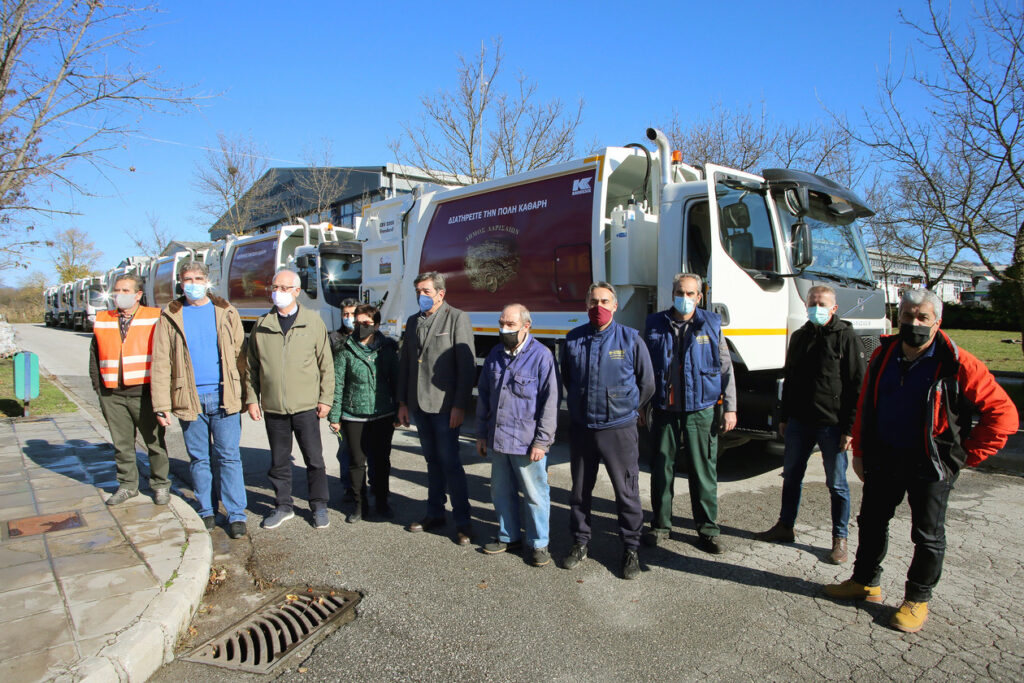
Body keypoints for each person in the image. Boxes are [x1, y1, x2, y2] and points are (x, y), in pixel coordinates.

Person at [825, 289, 1018, 633]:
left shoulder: (958, 362)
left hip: (930, 464)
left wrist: (964, 456)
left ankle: (917, 598)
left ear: (937, 321)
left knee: (926, 535)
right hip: (884, 457)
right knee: (871, 521)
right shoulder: (884, 354)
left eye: (922, 317)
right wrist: (860, 450)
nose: (913, 323)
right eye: (908, 316)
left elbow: (1004, 416)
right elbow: (867, 401)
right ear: (898, 317)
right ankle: (865, 582)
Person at [758, 284, 865, 563]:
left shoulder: (847, 338)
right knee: (791, 477)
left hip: (832, 426)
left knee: (837, 484)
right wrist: (784, 417)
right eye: (812, 302)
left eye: (822, 303)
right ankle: (785, 526)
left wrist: (850, 429)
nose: (817, 307)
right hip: (799, 423)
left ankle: (839, 539)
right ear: (806, 305)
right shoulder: (800, 337)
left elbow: (857, 386)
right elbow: (790, 379)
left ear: (834, 308)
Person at [560, 282, 654, 579]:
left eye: (603, 301)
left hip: (618, 430)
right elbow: (568, 379)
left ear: (615, 306)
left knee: (626, 492)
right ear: (585, 305)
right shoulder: (573, 340)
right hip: (583, 429)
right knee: (579, 492)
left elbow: (647, 382)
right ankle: (580, 542)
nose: (597, 307)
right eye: (592, 301)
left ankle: (630, 548)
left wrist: (626, 409)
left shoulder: (630, 339)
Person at [151, 260, 249, 539]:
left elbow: (240, 355)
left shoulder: (226, 311)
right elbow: (161, 362)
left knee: (229, 457)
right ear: (180, 283)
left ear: (207, 280)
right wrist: (161, 404)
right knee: (199, 458)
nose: (192, 284)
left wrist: (244, 395)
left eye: (197, 278)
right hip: (189, 398)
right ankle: (207, 509)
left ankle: (236, 514)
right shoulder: (170, 315)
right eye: (187, 279)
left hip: (223, 395)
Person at [642, 273, 736, 554]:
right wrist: (639, 405)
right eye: (680, 292)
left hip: (701, 410)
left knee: (703, 472)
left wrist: (730, 407)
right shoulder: (654, 324)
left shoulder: (711, 323)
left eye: (690, 293)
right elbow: (643, 367)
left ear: (699, 296)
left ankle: (707, 530)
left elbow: (725, 368)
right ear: (673, 293)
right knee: (661, 469)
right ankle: (660, 526)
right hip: (664, 409)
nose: (685, 298)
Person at [245, 268, 335, 530]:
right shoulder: (262, 325)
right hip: (274, 407)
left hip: (306, 406)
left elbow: (326, 365)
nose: (278, 293)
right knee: (278, 461)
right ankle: (283, 505)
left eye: (284, 288)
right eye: (275, 287)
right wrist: (252, 398)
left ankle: (318, 505)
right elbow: (251, 367)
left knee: (314, 459)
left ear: (297, 291)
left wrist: (326, 398)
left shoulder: (313, 322)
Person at [396, 272, 476, 545]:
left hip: (445, 406)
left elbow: (466, 367)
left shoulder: (457, 318)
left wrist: (459, 406)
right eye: (418, 290)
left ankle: (463, 521)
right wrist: (403, 403)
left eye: (426, 290)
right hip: (419, 404)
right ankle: (435, 513)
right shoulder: (412, 321)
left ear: (441, 293)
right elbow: (407, 363)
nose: (422, 295)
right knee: (432, 462)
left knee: (451, 463)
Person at [476, 304, 559, 568]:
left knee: (535, 495)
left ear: (526, 326)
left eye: (510, 324)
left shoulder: (542, 356)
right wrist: (481, 434)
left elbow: (551, 402)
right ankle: (508, 536)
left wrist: (542, 441)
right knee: (501, 492)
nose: (504, 329)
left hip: (527, 442)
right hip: (499, 439)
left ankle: (539, 544)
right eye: (502, 323)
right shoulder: (495, 355)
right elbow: (484, 398)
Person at [90, 273, 170, 506]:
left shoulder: (154, 317)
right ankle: (127, 485)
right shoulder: (103, 318)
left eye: (125, 291)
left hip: (144, 393)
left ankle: (161, 484)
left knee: (154, 442)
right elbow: (94, 356)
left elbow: (164, 355)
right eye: (117, 290)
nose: (119, 295)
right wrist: (99, 387)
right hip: (112, 394)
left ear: (138, 295)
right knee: (122, 444)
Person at [328, 303, 399, 522]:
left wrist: (398, 410)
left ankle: (381, 501)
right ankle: (360, 505)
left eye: (365, 323)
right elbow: (338, 383)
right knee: (357, 462)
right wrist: (335, 416)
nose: (360, 327)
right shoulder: (345, 349)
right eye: (357, 323)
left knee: (381, 461)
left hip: (382, 414)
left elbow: (395, 381)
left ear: (376, 325)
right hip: (353, 415)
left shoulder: (387, 349)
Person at [329, 298, 359, 502]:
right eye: (345, 314)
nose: (349, 318)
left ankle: (366, 486)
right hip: (342, 404)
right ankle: (349, 487)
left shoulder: (368, 337)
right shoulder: (333, 338)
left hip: (363, 405)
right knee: (345, 449)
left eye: (353, 314)